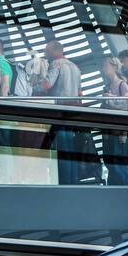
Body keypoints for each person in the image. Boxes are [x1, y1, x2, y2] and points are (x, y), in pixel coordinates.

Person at [35, 39, 86, 184]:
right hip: (73, 111)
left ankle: (64, 182)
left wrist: (34, 85)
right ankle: (73, 181)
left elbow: (46, 85)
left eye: (47, 50)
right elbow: (80, 92)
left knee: (62, 149)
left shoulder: (56, 64)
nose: (45, 53)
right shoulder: (75, 66)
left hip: (59, 111)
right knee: (70, 148)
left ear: (55, 50)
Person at [99, 57, 128, 186]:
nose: (103, 69)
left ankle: (122, 188)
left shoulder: (122, 85)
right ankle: (113, 187)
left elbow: (126, 106)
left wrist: (110, 98)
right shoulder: (107, 87)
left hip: (118, 130)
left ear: (114, 67)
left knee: (119, 161)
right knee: (109, 160)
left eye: (106, 66)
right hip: (108, 130)